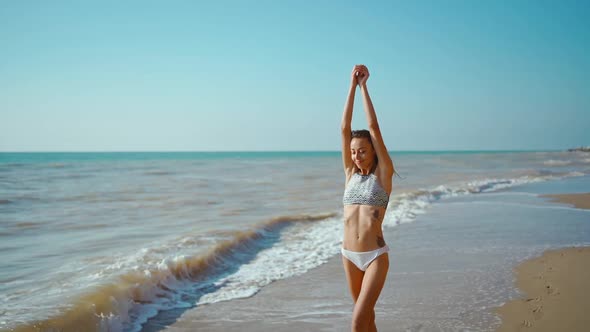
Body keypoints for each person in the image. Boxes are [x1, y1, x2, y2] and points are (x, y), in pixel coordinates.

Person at [341, 64, 395, 332]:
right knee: (367, 321)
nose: (356, 156)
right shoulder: (350, 173)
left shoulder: (384, 175)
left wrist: (364, 87)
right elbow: (344, 128)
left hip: (374, 257)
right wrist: (350, 86)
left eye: (362, 151)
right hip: (348, 255)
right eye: (353, 152)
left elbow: (373, 127)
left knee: (357, 321)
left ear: (373, 151)